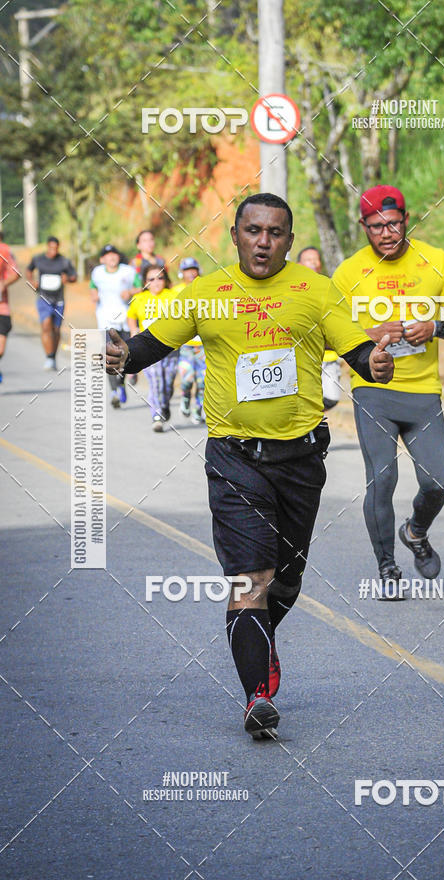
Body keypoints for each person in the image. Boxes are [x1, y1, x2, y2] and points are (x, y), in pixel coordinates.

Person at [107, 193, 393, 738]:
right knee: (249, 579)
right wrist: (123, 356)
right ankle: (256, 695)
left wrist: (374, 362)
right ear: (234, 235)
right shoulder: (209, 293)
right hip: (234, 457)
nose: (264, 241)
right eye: (254, 230)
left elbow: (358, 351)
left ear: (289, 238)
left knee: (285, 582)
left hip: (302, 457)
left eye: (276, 232)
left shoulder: (315, 290)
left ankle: (260, 646)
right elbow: (149, 345)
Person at [331, 185, 444, 588]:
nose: (386, 233)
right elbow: (328, 331)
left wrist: (436, 327)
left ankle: (415, 531)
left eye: (393, 223)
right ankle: (386, 566)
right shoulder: (349, 272)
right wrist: (369, 333)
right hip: (372, 389)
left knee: (437, 483)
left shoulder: (436, 261)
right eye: (376, 226)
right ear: (363, 227)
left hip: (423, 390)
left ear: (407, 219)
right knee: (383, 476)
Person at [127, 265, 179, 432]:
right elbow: (131, 317)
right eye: (151, 279)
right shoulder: (139, 299)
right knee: (156, 381)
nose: (156, 282)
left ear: (166, 280)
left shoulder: (174, 296)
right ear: (145, 282)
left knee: (168, 383)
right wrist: (133, 332)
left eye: (160, 278)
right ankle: (156, 415)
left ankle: (164, 406)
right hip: (149, 348)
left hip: (171, 348)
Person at [90, 244, 137, 408]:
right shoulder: (97, 272)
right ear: (102, 259)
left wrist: (131, 292)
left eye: (114, 254)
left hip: (125, 318)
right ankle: (114, 391)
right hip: (105, 319)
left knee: (124, 355)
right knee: (109, 355)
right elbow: (93, 286)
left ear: (118, 256)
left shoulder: (128, 271)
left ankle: (121, 383)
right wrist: (93, 294)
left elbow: (141, 287)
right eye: (107, 255)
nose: (111, 257)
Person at [297, 246, 342, 410]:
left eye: (316, 259)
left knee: (331, 398)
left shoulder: (329, 288)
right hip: (303, 360)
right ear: (299, 264)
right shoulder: (291, 290)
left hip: (329, 359)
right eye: (309, 259)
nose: (314, 263)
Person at [26, 236, 76, 370]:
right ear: (47, 247)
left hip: (59, 299)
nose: (53, 251)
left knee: (56, 329)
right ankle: (48, 357)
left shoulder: (64, 261)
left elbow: (74, 276)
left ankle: (53, 356)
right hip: (43, 298)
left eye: (56, 248)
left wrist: (68, 279)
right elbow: (29, 270)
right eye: (51, 248)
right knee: (46, 325)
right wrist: (32, 282)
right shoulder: (38, 259)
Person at [172, 257, 206, 425]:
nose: (191, 273)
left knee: (203, 381)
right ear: (181, 273)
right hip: (185, 345)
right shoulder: (175, 291)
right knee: (186, 379)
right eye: (187, 270)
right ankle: (185, 397)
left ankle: (198, 409)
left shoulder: (206, 289)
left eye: (193, 269)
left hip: (204, 346)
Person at [0, 233, 22, 385]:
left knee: (0, 349)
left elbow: (16, 273)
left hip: (2, 307)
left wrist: (3, 284)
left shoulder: (5, 250)